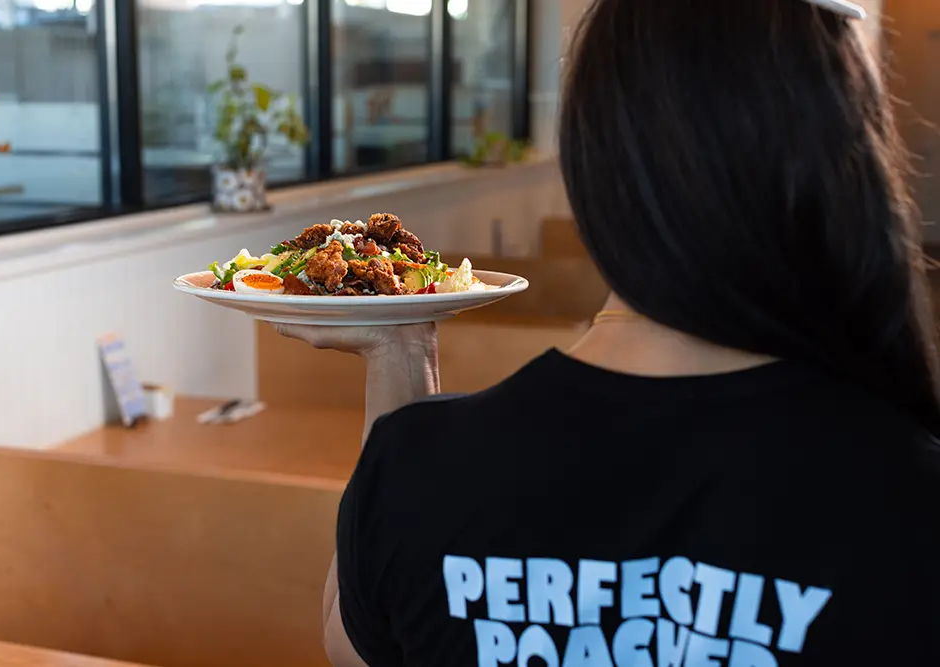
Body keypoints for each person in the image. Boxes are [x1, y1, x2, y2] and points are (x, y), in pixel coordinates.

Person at [279, 0, 940, 665]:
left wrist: (402, 348)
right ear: (845, 163)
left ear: (592, 160)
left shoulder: (419, 469)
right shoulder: (903, 491)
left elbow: (359, 647)